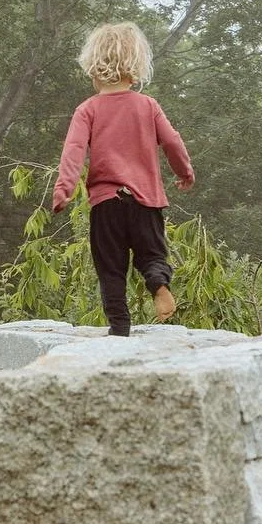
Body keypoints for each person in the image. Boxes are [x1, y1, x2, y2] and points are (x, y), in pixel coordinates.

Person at [51, 22, 195, 336]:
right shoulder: (148, 106)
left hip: (107, 204)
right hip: (146, 202)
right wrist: (184, 171)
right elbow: (172, 141)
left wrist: (64, 189)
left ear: (93, 69)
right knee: (152, 254)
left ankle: (119, 328)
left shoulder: (87, 110)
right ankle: (158, 283)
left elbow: (73, 151)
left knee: (111, 268)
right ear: (136, 69)